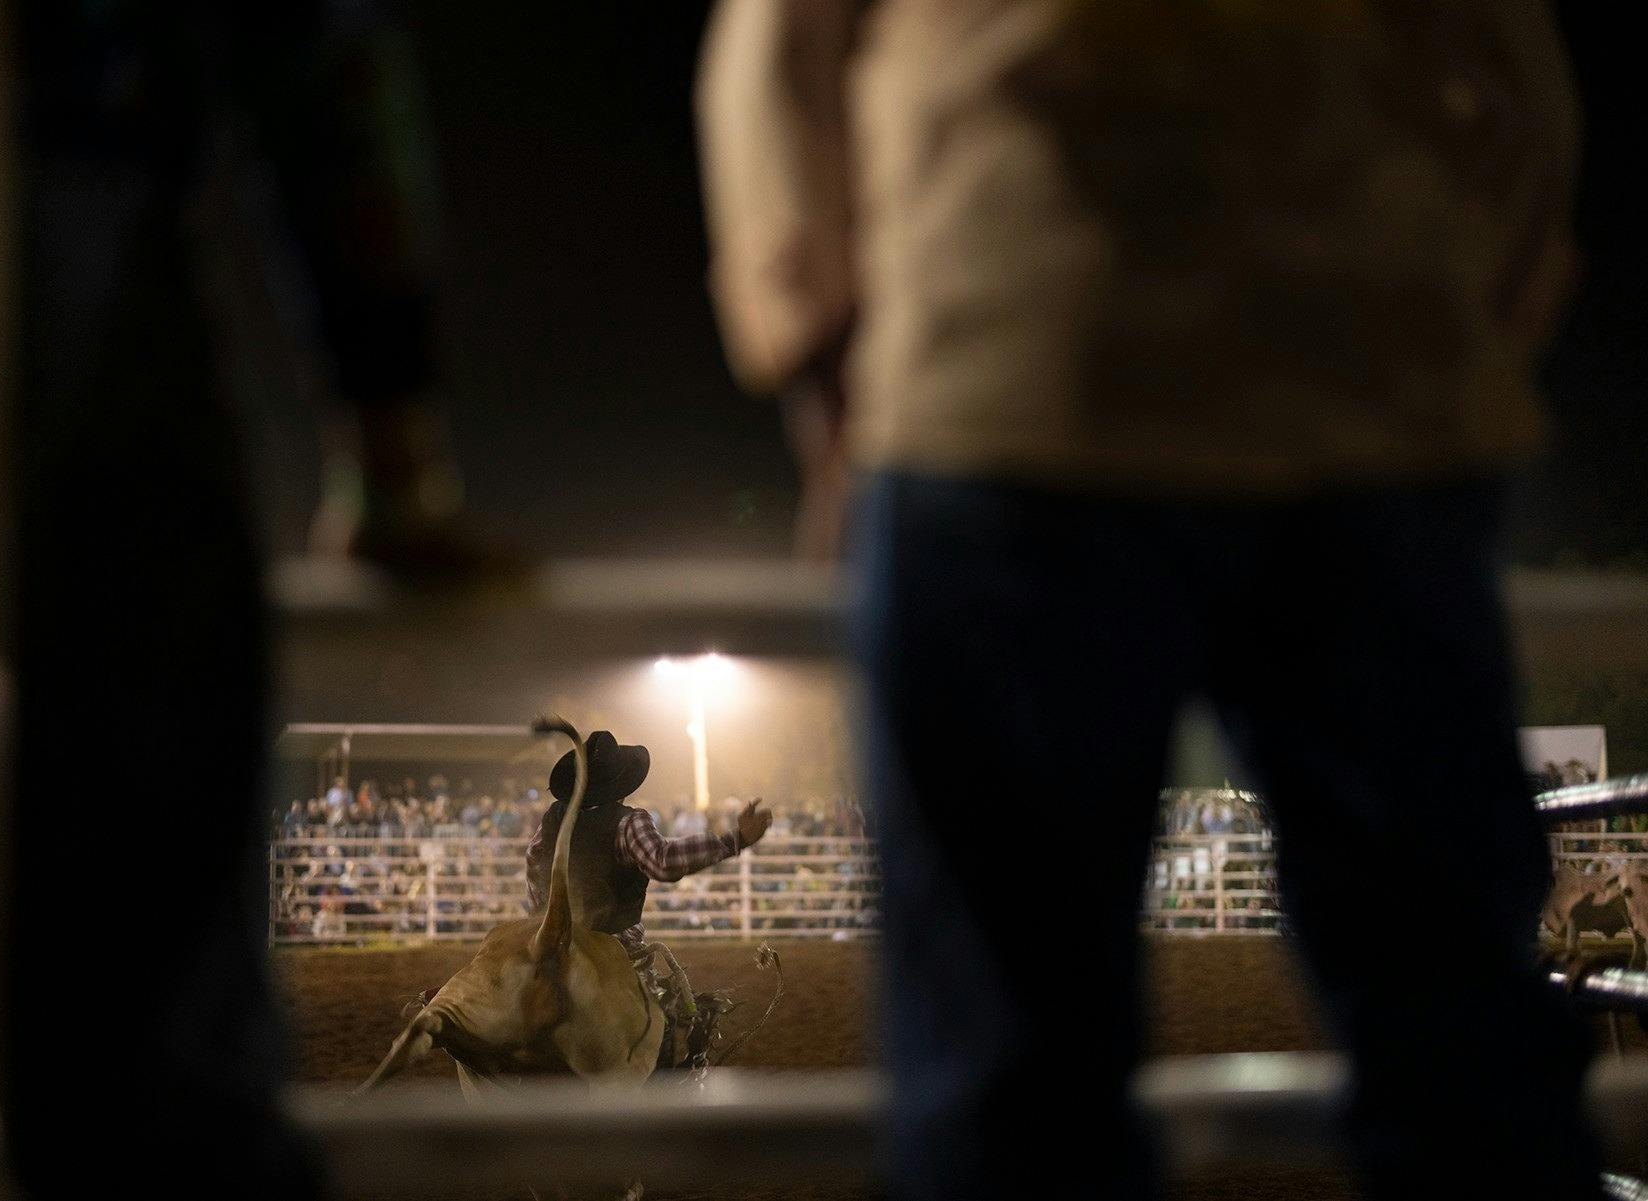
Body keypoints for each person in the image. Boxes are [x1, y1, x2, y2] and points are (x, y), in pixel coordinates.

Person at [697, 3, 1595, 1200]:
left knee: (1008, 1076)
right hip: (1369, 380)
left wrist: (824, 361)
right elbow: (1514, 79)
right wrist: (1468, 333)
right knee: (1463, 1050)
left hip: (1010, 363)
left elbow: (775, 59)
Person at [524, 730, 771, 968]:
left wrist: (545, 919)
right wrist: (733, 840)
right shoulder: (628, 822)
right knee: (653, 1004)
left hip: (550, 945)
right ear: (620, 786)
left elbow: (534, 861)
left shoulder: (553, 819)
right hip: (612, 945)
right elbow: (663, 862)